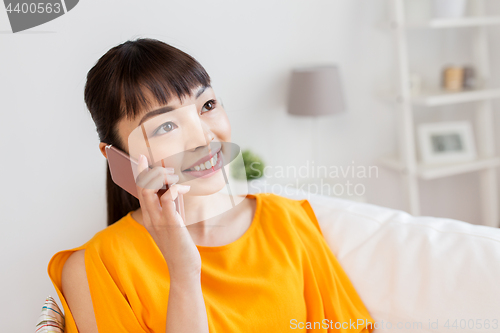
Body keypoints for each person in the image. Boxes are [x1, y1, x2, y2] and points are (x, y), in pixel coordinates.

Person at [47, 38, 375, 333]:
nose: (203, 137)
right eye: (166, 126)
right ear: (116, 155)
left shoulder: (288, 221)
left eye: (207, 106)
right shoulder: (95, 269)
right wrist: (183, 272)